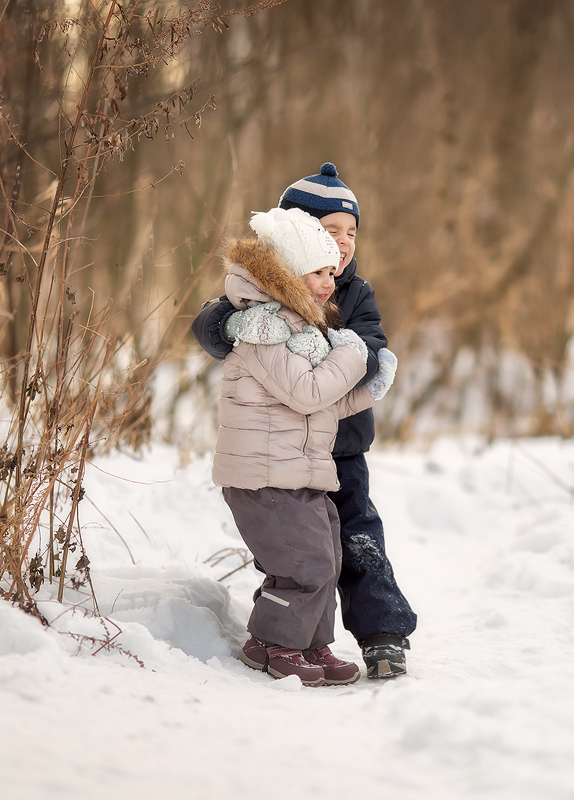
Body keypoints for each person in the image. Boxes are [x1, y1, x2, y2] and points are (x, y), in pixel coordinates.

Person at [193, 163, 417, 679]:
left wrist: (359, 354)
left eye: (351, 233)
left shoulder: (353, 291)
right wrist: (232, 321)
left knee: (355, 540)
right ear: (298, 236)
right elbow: (208, 324)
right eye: (331, 231)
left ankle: (382, 632)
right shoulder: (262, 301)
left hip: (340, 446)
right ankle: (285, 636)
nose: (342, 245)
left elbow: (371, 346)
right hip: (282, 448)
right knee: (300, 551)